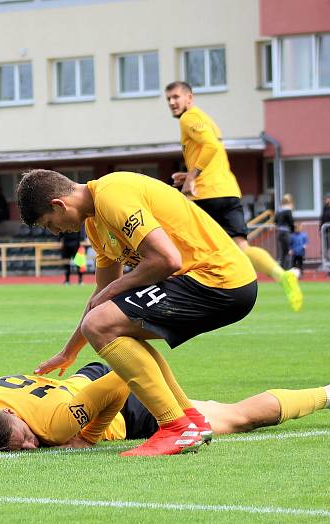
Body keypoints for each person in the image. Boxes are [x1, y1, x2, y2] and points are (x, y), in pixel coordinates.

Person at [16, 169, 257, 456]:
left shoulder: (111, 195)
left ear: (59, 205)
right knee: (112, 326)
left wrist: (114, 289)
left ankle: (176, 427)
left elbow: (167, 259)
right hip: (210, 281)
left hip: (217, 279)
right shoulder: (95, 226)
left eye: (49, 224)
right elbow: (101, 299)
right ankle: (190, 420)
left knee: (104, 325)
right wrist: (70, 351)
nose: (55, 232)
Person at [0, 362, 330, 451]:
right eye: (18, 448)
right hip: (87, 379)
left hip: (125, 404)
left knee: (237, 418)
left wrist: (87, 438)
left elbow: (119, 383)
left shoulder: (57, 423)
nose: (29, 447)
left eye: (25, 438)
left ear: (13, 415)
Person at [164, 81, 302, 312]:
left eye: (176, 97)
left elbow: (211, 147)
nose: (172, 102)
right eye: (168, 99)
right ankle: (282, 274)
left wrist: (192, 177)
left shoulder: (189, 118)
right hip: (228, 191)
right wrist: (189, 174)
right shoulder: (204, 119)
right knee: (241, 247)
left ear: (190, 98)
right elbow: (212, 150)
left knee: (181, 245)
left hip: (206, 195)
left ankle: (176, 300)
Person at [274, 193, 295, 269]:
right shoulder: (288, 210)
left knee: (282, 252)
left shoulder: (279, 210)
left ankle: (282, 269)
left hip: (279, 231)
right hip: (286, 232)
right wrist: (293, 230)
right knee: (288, 251)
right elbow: (291, 222)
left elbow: (275, 221)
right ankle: (288, 269)